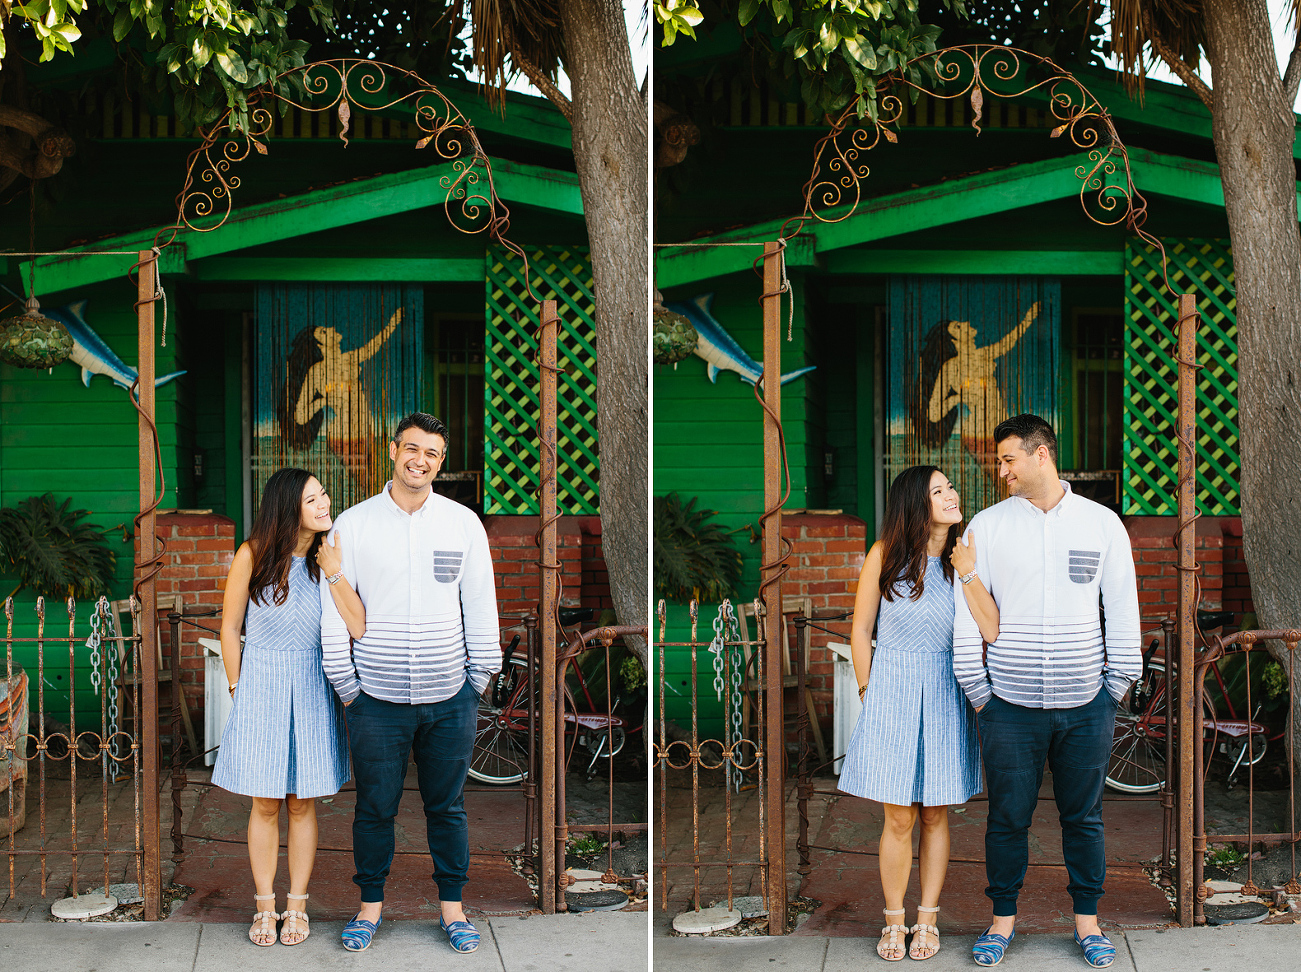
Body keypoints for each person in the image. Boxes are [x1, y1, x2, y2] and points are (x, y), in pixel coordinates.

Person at [952, 414, 1141, 970]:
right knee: (1007, 818)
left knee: (1083, 818)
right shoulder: (985, 528)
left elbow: (1123, 613)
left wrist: (1115, 689)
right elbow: (969, 614)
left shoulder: (1102, 525)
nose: (1000, 470)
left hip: (1088, 707)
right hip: (1007, 709)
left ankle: (1088, 925)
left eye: (1009, 459)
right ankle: (1001, 923)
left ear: (1042, 456)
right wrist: (980, 692)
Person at [320, 411, 500, 954]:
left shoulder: (462, 523)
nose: (420, 461)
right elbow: (336, 605)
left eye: (433, 454)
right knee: (375, 807)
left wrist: (478, 678)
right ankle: (369, 909)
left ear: (440, 463)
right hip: (375, 699)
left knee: (447, 808)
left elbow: (481, 604)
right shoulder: (352, 524)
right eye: (412, 449)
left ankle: (453, 911)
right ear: (392, 449)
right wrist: (347, 684)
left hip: (451, 697)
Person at [839, 465, 998, 962]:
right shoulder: (885, 556)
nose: (952, 494)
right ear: (916, 504)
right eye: (939, 490)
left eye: (950, 486)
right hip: (892, 690)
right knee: (898, 816)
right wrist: (869, 689)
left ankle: (927, 919)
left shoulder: (964, 559)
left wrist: (969, 569)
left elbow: (991, 627)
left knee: (935, 813)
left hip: (947, 690)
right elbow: (861, 631)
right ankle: (893, 921)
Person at [213, 467, 362, 946]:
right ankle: (264, 905)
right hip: (261, 686)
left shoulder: (329, 558)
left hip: (314, 685)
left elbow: (357, 624)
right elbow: (229, 629)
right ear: (286, 507)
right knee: (265, 802)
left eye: (324, 495)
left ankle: (296, 904)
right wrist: (239, 690)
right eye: (312, 498)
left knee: (302, 804)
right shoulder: (252, 556)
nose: (323, 504)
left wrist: (336, 567)